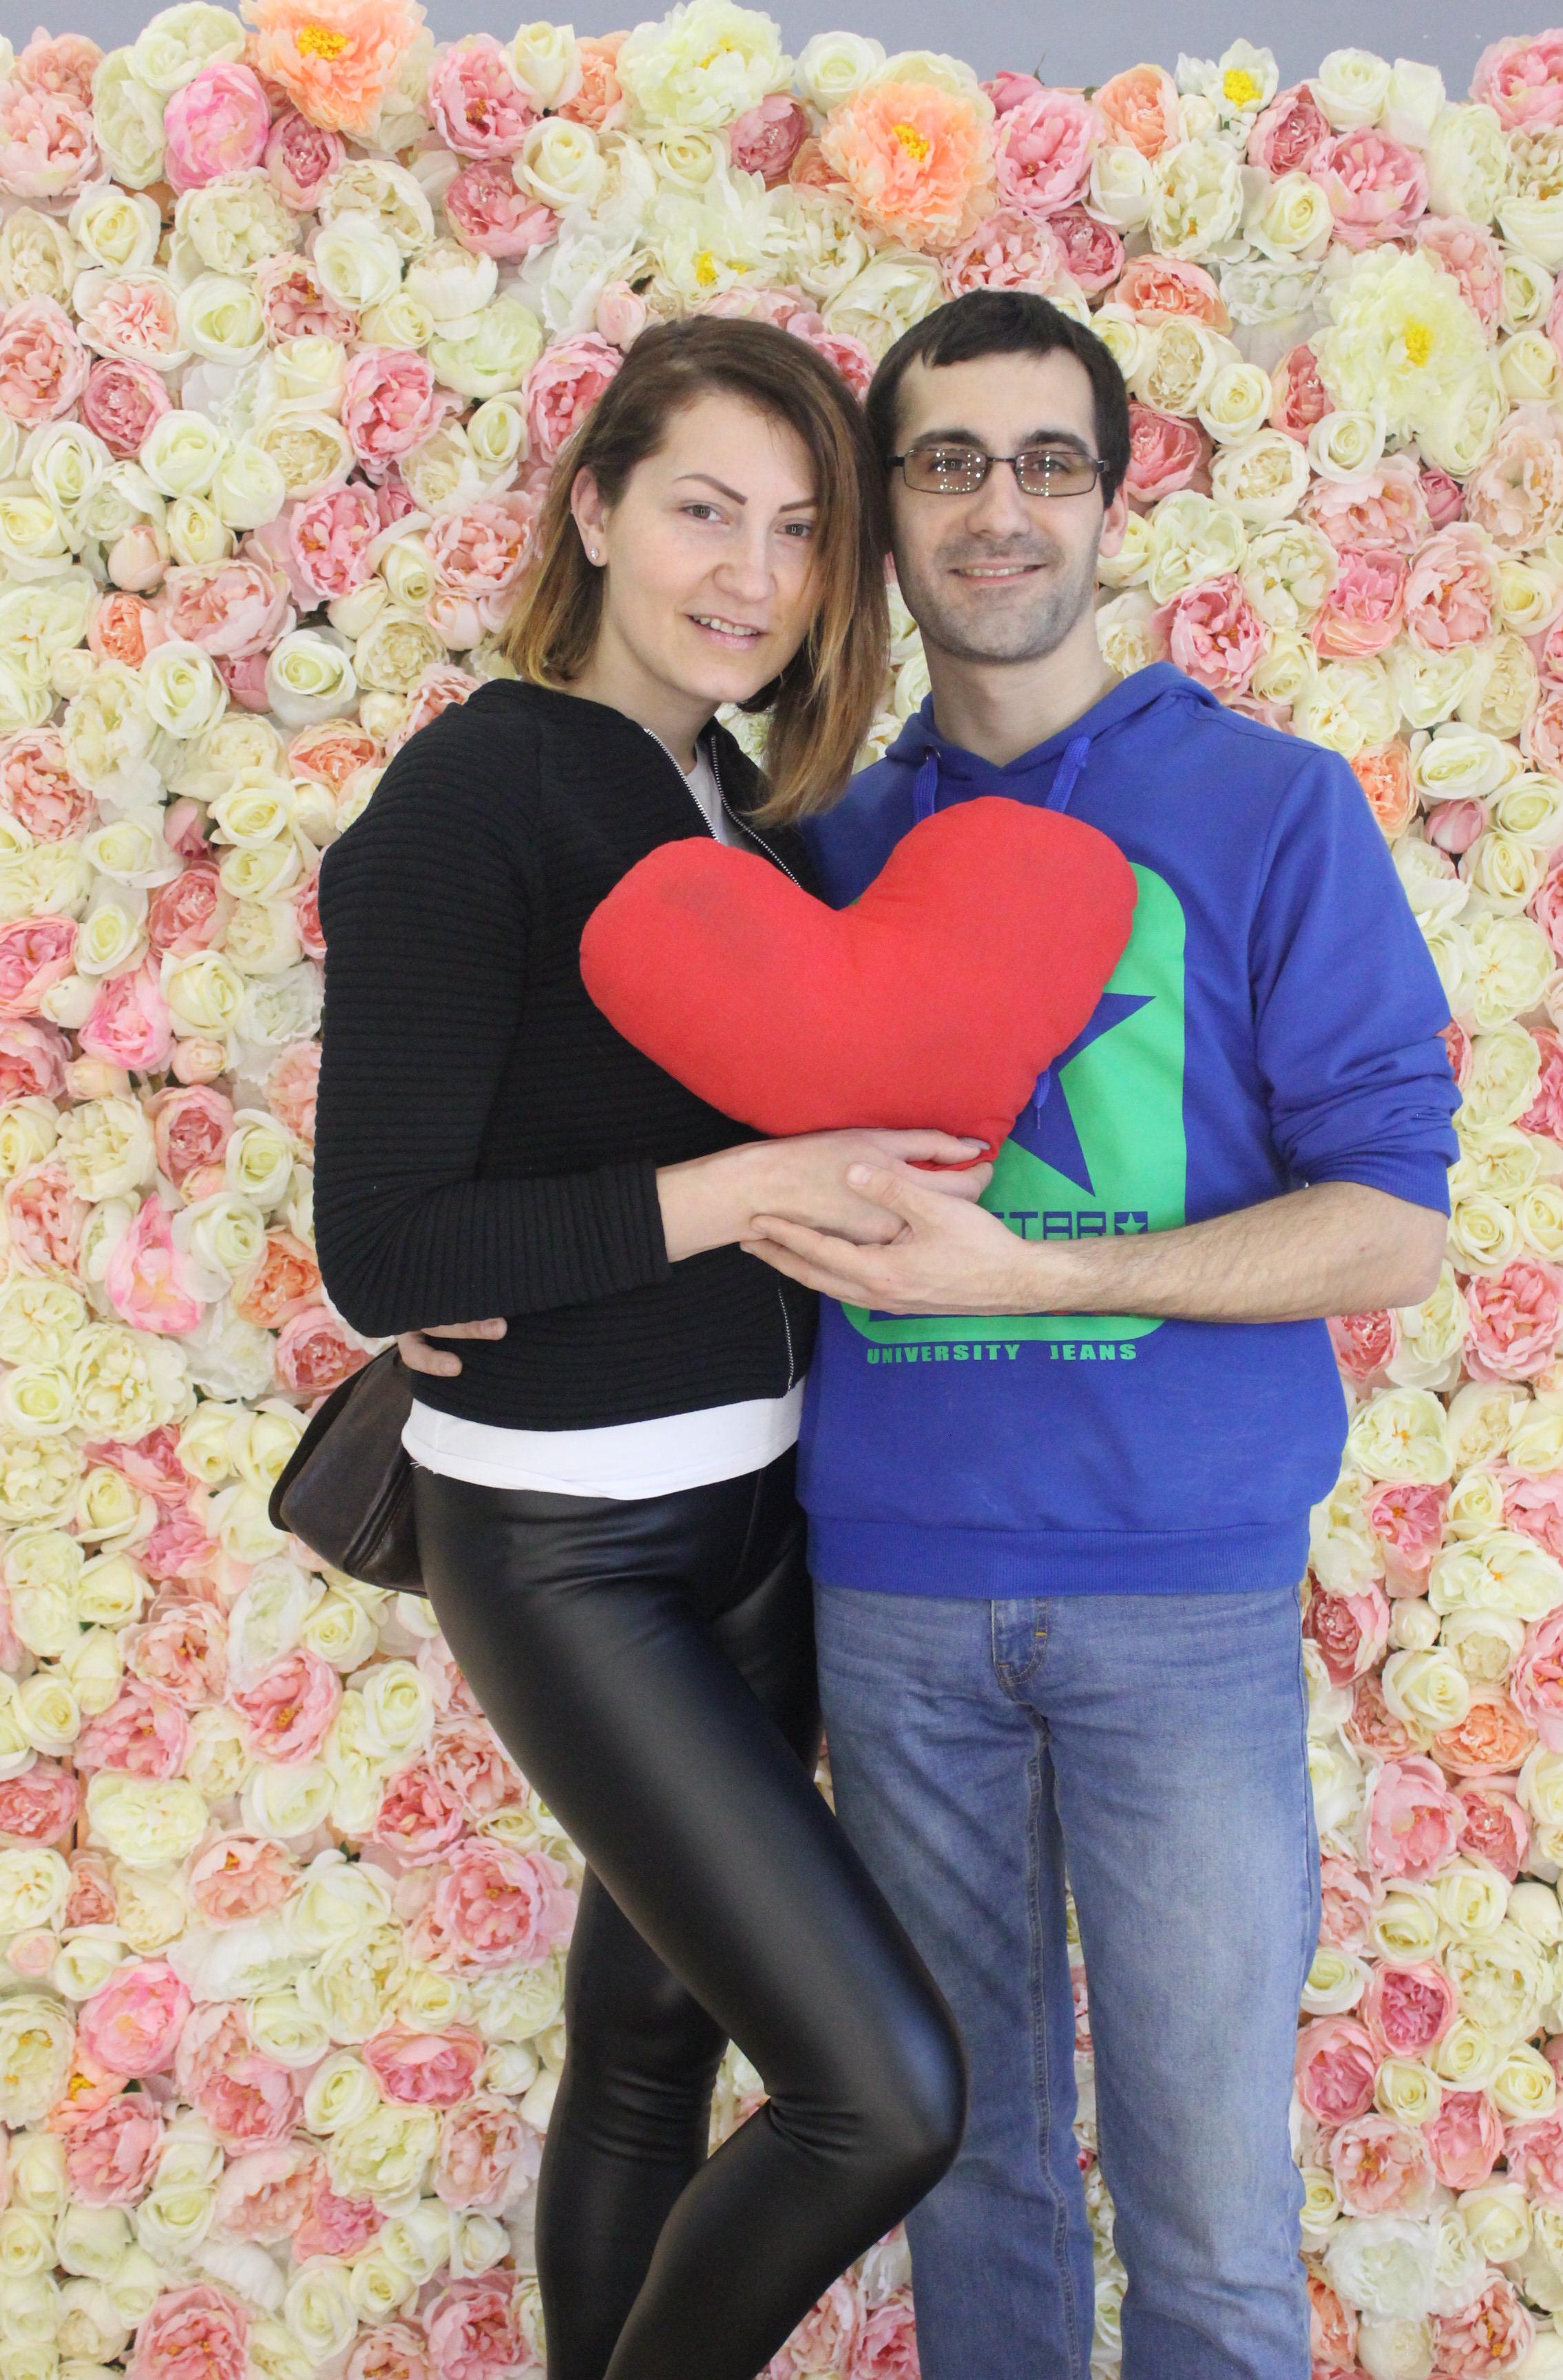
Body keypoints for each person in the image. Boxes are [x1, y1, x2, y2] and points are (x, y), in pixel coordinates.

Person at [741, 290, 1462, 2380]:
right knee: (967, 2179)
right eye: (949, 463)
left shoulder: (1270, 808)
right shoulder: (815, 846)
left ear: (1113, 498)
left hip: (1182, 1607)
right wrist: (466, 1272)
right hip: (893, 1603)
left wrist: (1041, 1276)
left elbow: (1394, 1227)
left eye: (1047, 462)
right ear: (887, 509)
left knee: (1212, 2213)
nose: (1001, 508)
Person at [313, 318, 981, 2380]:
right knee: (883, 2095)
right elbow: (384, 1246)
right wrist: (747, 1187)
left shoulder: (739, 813)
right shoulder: (481, 786)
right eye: (703, 509)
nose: (750, 575)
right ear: (594, 511)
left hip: (755, 1519)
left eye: (798, 530)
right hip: (571, 1546)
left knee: (644, 2052)